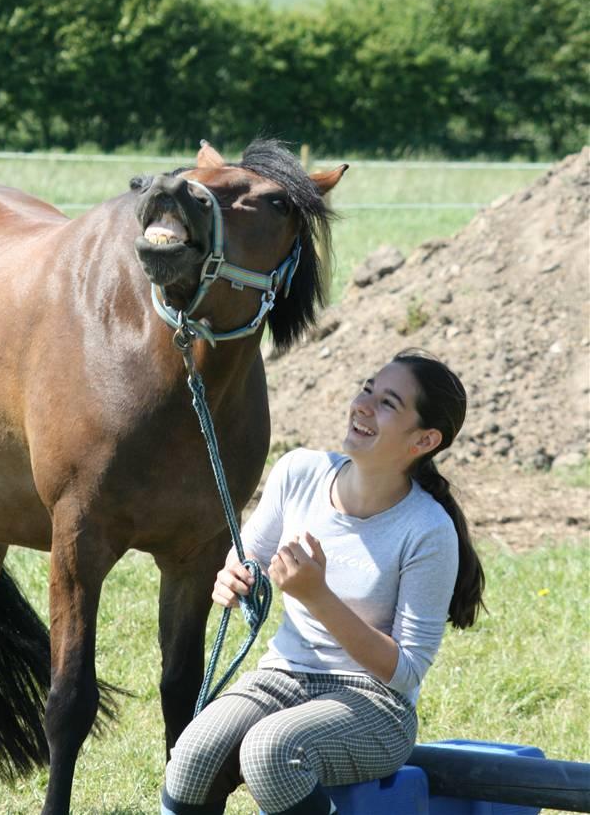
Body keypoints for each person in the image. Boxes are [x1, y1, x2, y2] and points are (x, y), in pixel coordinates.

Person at [161, 348, 485, 815]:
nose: (363, 405)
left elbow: (404, 671)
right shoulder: (300, 472)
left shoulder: (428, 530)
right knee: (191, 757)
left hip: (376, 705)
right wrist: (236, 575)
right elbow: (249, 552)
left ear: (424, 440)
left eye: (388, 403)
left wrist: (317, 596)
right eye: (368, 388)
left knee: (271, 752)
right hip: (281, 676)